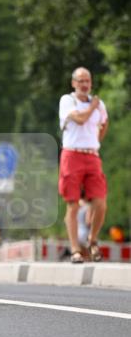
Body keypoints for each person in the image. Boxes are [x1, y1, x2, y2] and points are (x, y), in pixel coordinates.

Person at [58, 67, 108, 263]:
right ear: (73, 83)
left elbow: (104, 123)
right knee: (73, 204)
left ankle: (92, 240)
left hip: (91, 155)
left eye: (87, 81)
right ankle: (75, 249)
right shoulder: (68, 101)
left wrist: (96, 141)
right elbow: (79, 119)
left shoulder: (99, 104)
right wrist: (92, 107)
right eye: (80, 81)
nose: (85, 85)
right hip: (72, 154)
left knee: (100, 202)